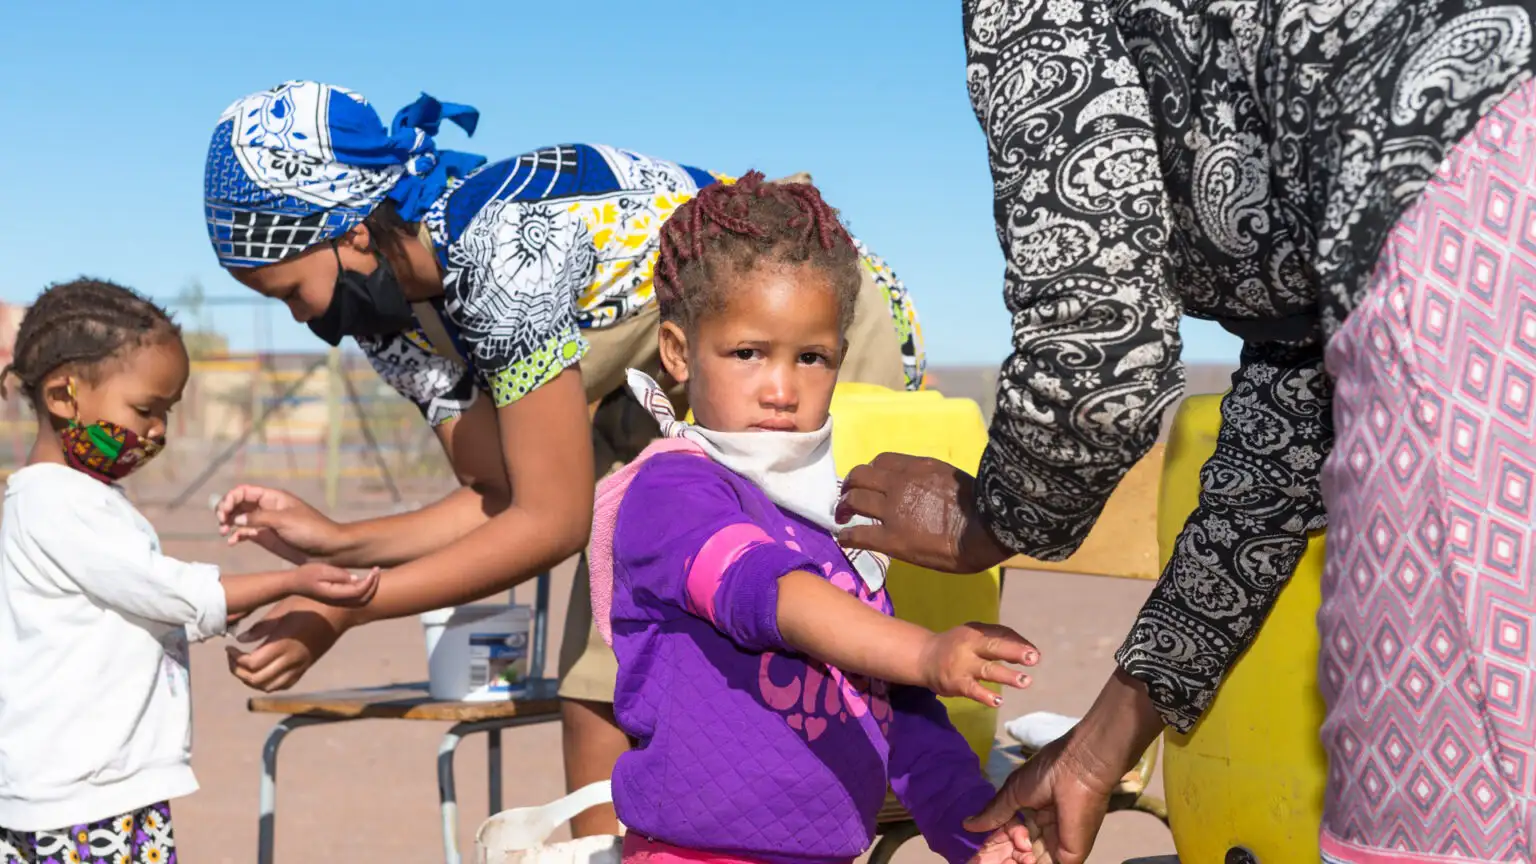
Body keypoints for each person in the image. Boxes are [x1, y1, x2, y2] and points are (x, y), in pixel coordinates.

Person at [836, 2, 1536, 862]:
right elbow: (1285, 428)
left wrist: (991, 517)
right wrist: (1101, 746)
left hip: (1480, 249)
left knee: (1447, 824)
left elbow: (1099, 354)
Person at [201, 80, 926, 836]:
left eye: (289, 291)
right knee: (607, 665)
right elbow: (502, 486)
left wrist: (344, 607)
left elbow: (548, 523)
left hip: (783, 334)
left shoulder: (499, 246)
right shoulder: (394, 325)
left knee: (788, 644)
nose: (304, 318)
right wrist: (342, 545)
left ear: (351, 234)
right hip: (658, 391)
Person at [590, 173, 1042, 864]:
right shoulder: (673, 491)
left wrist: (975, 831)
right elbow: (769, 595)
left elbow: (899, 718)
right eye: (748, 353)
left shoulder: (826, 517)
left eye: (811, 357)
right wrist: (923, 651)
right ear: (679, 353)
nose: (781, 388)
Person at [0, 279, 379, 864]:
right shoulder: (59, 504)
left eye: (167, 412)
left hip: (88, 791)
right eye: (146, 410)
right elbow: (169, 592)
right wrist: (292, 581)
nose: (158, 432)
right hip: (83, 806)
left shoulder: (68, 500)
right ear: (62, 396)